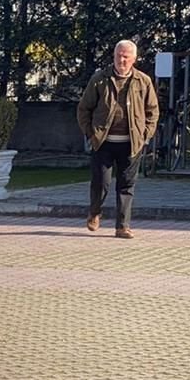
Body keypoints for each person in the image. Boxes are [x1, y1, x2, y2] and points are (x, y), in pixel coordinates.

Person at [76, 40, 159, 238]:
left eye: (126, 57)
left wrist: (145, 135)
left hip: (131, 144)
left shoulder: (143, 81)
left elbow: (153, 111)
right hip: (103, 142)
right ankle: (94, 212)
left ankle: (123, 226)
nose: (121, 60)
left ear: (134, 59)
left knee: (126, 185)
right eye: (118, 56)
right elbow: (84, 109)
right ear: (113, 56)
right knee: (101, 182)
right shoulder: (99, 79)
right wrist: (90, 134)